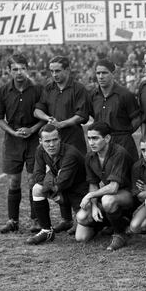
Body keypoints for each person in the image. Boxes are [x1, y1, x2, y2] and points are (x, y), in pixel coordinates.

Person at [34, 56, 91, 235]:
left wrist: (63, 123)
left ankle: (78, 218)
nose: (54, 74)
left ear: (67, 70)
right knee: (57, 175)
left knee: (75, 178)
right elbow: (37, 109)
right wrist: (47, 119)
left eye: (58, 70)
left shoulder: (78, 88)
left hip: (73, 139)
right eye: (52, 71)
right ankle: (66, 220)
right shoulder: (48, 88)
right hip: (53, 139)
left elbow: (83, 115)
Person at [0, 53, 45, 234]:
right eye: (15, 69)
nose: (19, 72)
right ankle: (12, 220)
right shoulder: (3, 91)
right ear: (9, 71)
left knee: (33, 181)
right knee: (14, 181)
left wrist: (32, 129)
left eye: (22, 68)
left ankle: (36, 219)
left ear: (27, 69)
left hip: (33, 140)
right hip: (12, 141)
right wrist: (13, 132)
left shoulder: (38, 90)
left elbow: (45, 117)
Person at [75, 122, 134, 251]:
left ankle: (120, 234)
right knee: (81, 228)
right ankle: (115, 223)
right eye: (89, 138)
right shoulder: (90, 156)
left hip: (129, 195)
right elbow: (93, 183)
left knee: (108, 200)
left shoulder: (119, 153)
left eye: (95, 138)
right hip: (108, 195)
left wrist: (90, 196)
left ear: (107, 138)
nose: (91, 142)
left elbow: (113, 187)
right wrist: (94, 205)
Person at [25, 124, 88, 245]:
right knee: (36, 189)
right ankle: (46, 231)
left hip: (80, 195)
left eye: (54, 140)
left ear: (60, 139)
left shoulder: (71, 154)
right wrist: (51, 177)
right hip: (61, 191)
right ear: (40, 141)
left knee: (82, 237)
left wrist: (53, 182)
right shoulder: (40, 150)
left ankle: (94, 223)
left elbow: (61, 184)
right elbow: (37, 176)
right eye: (47, 141)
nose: (51, 144)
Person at [90, 59, 142, 161]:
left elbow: (137, 118)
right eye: (98, 73)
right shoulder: (93, 96)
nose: (101, 76)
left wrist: (125, 133)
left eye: (104, 73)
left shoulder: (125, 95)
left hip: (123, 143)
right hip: (102, 143)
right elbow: (94, 115)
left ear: (113, 73)